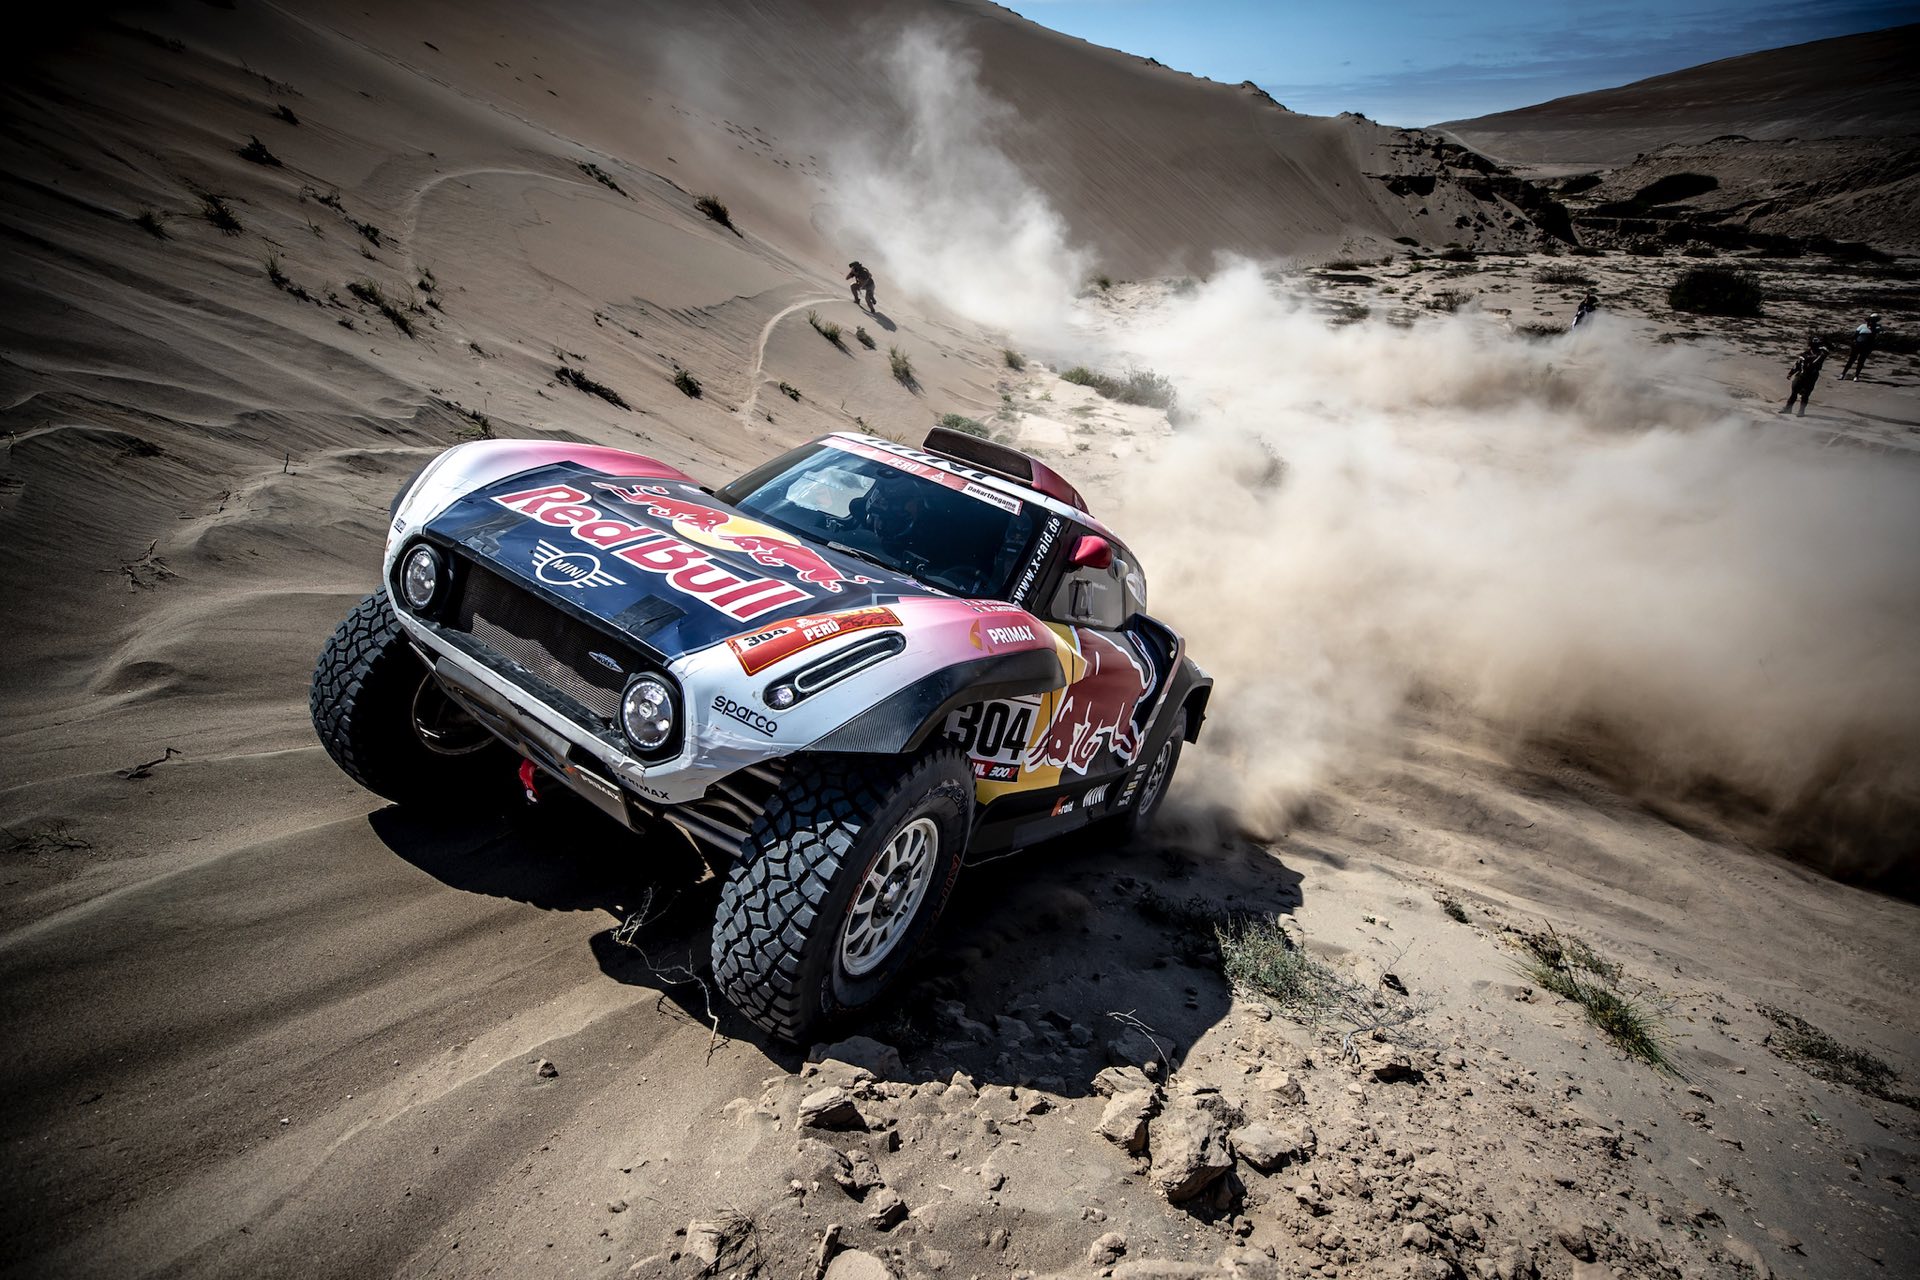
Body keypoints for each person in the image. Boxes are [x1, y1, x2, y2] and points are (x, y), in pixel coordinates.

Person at [1781, 335, 1829, 417]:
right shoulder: (1805, 354)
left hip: (1811, 376)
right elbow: (1798, 364)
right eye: (1813, 345)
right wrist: (1791, 373)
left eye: (1816, 345)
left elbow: (1821, 356)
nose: (1814, 347)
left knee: (1805, 394)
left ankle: (1801, 411)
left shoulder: (1820, 355)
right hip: (1801, 375)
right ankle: (1788, 408)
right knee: (1794, 392)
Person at [1839, 313, 1881, 381]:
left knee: (1861, 361)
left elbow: (1878, 336)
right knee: (1851, 360)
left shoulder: (1877, 328)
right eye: (1870, 320)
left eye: (1873, 321)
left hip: (1867, 347)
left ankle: (1856, 376)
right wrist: (1852, 343)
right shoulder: (1862, 326)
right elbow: (1855, 335)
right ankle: (1843, 374)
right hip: (1857, 345)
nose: (1871, 322)